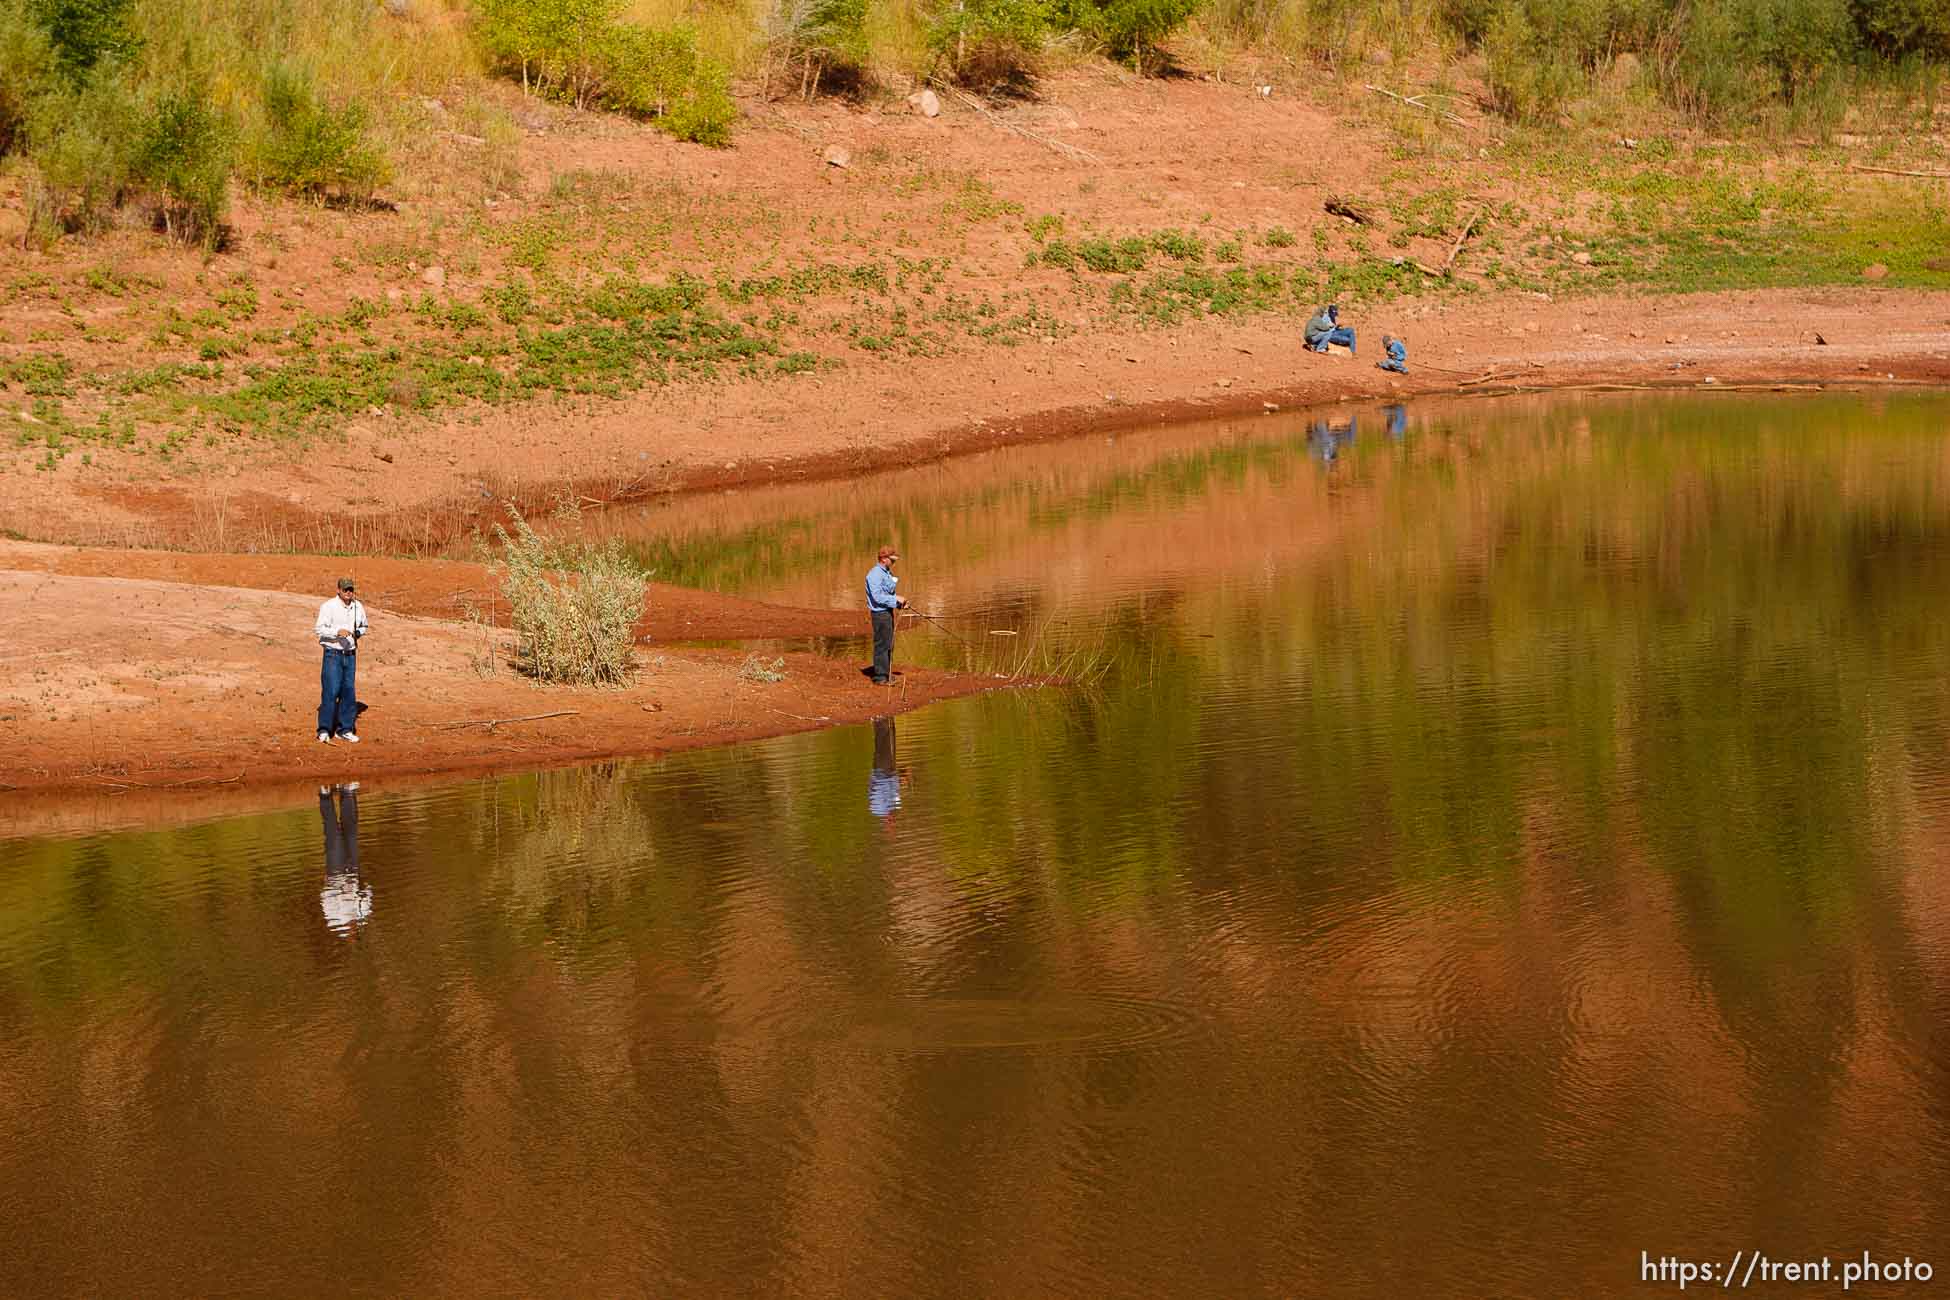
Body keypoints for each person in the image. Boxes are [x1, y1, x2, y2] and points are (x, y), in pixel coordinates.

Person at [314, 576, 368, 743]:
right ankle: (324, 729)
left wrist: (357, 633)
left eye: (350, 589)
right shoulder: (328, 606)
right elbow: (319, 629)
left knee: (348, 692)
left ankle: (345, 729)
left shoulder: (358, 606)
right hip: (333, 654)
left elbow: (364, 626)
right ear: (338, 590)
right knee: (331, 691)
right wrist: (337, 632)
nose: (348, 592)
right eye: (345, 589)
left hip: (350, 655)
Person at [319, 782, 371, 935]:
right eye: (356, 933)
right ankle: (347, 793)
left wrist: (341, 889)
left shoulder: (333, 919)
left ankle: (325, 796)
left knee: (334, 836)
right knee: (351, 832)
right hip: (353, 870)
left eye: (352, 933)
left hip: (336, 873)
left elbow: (325, 894)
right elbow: (367, 889)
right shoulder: (362, 914)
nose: (353, 928)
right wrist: (359, 890)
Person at [864, 545, 907, 685]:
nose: (893, 562)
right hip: (879, 615)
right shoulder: (874, 575)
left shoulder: (886, 572)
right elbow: (877, 597)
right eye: (891, 559)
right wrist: (896, 599)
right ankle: (880, 677)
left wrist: (898, 604)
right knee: (882, 644)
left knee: (889, 643)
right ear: (883, 559)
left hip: (887, 612)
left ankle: (886, 673)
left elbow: (888, 593)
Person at [869, 716, 902, 819]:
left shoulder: (882, 807)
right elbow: (872, 788)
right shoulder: (875, 808)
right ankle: (880, 719)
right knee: (881, 744)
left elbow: (890, 787)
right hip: (879, 771)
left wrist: (894, 775)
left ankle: (882, 719)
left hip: (884, 772)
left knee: (885, 742)